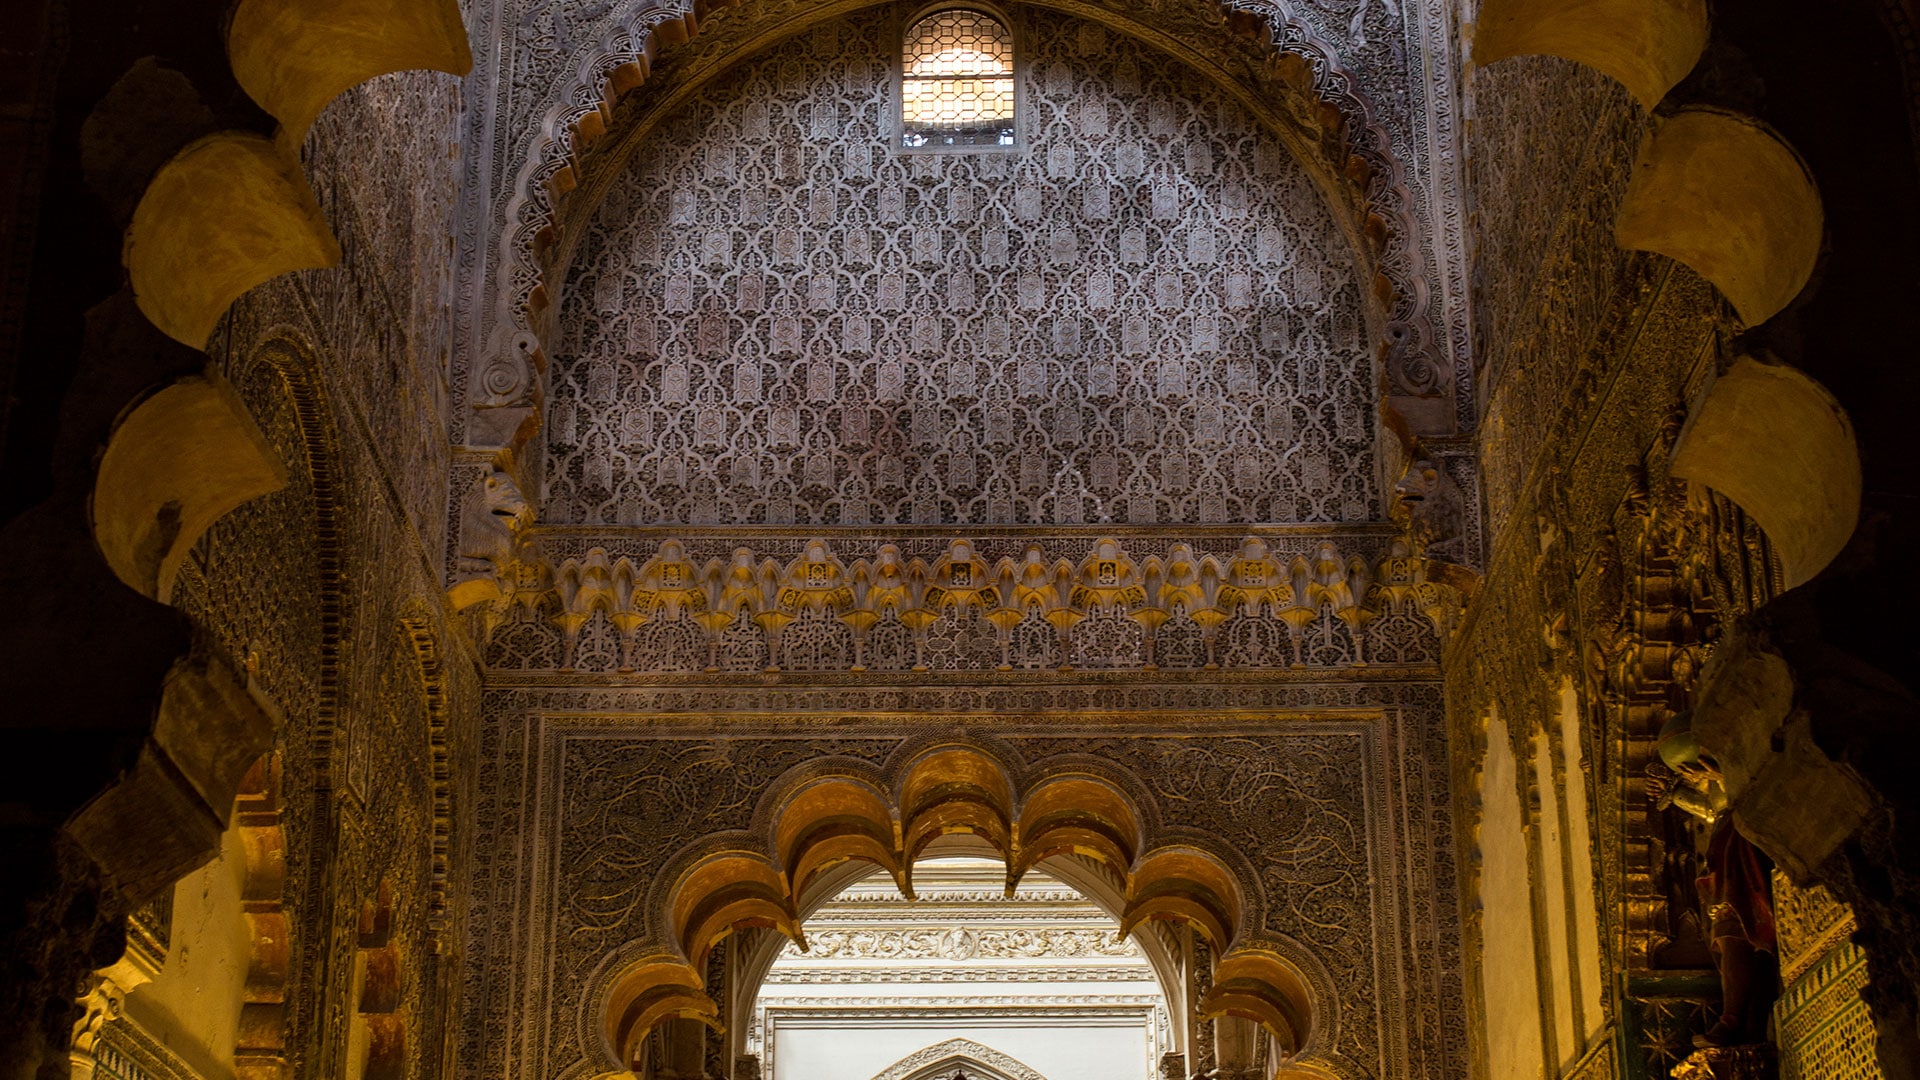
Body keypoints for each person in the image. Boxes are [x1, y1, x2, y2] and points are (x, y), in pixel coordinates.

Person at [1649, 710, 1779, 1047]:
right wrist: (1672, 793)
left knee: (1736, 928)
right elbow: (1713, 809)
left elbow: (1761, 791)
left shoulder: (1748, 755)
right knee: (1725, 936)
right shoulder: (1717, 780)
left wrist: (1724, 778)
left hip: (1746, 850)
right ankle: (1733, 1016)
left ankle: (1734, 1016)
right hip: (1724, 855)